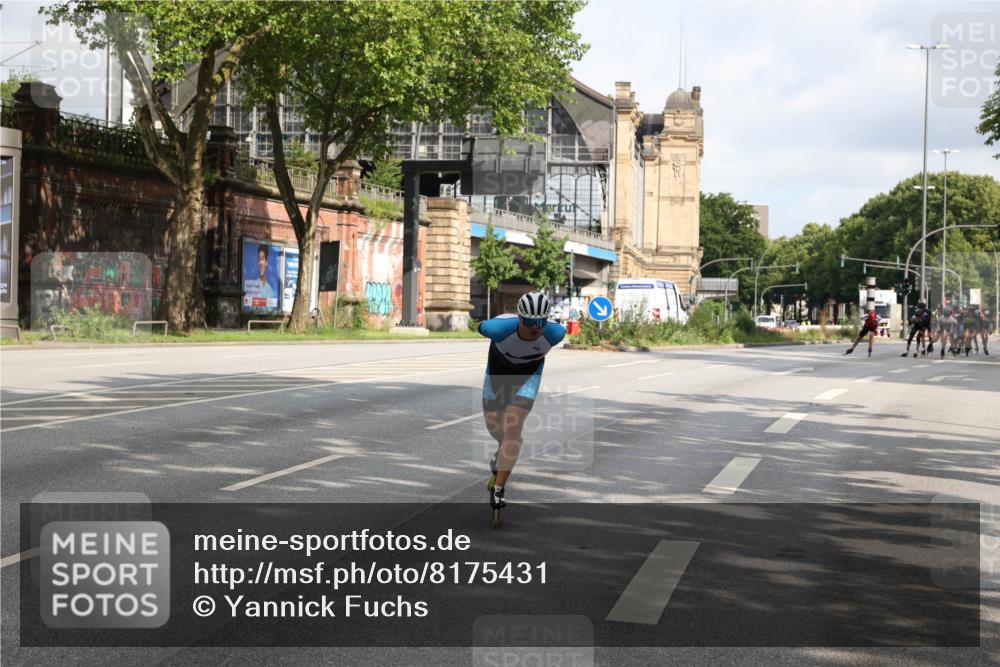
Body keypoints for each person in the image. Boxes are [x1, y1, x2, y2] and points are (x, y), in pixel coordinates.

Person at [478, 291, 566, 512]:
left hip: (528, 376)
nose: (535, 327)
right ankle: (502, 449)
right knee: (495, 426)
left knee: (514, 425)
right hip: (497, 376)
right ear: (520, 317)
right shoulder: (497, 330)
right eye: (529, 321)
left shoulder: (555, 333)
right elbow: (479, 325)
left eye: (541, 322)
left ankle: (499, 488)